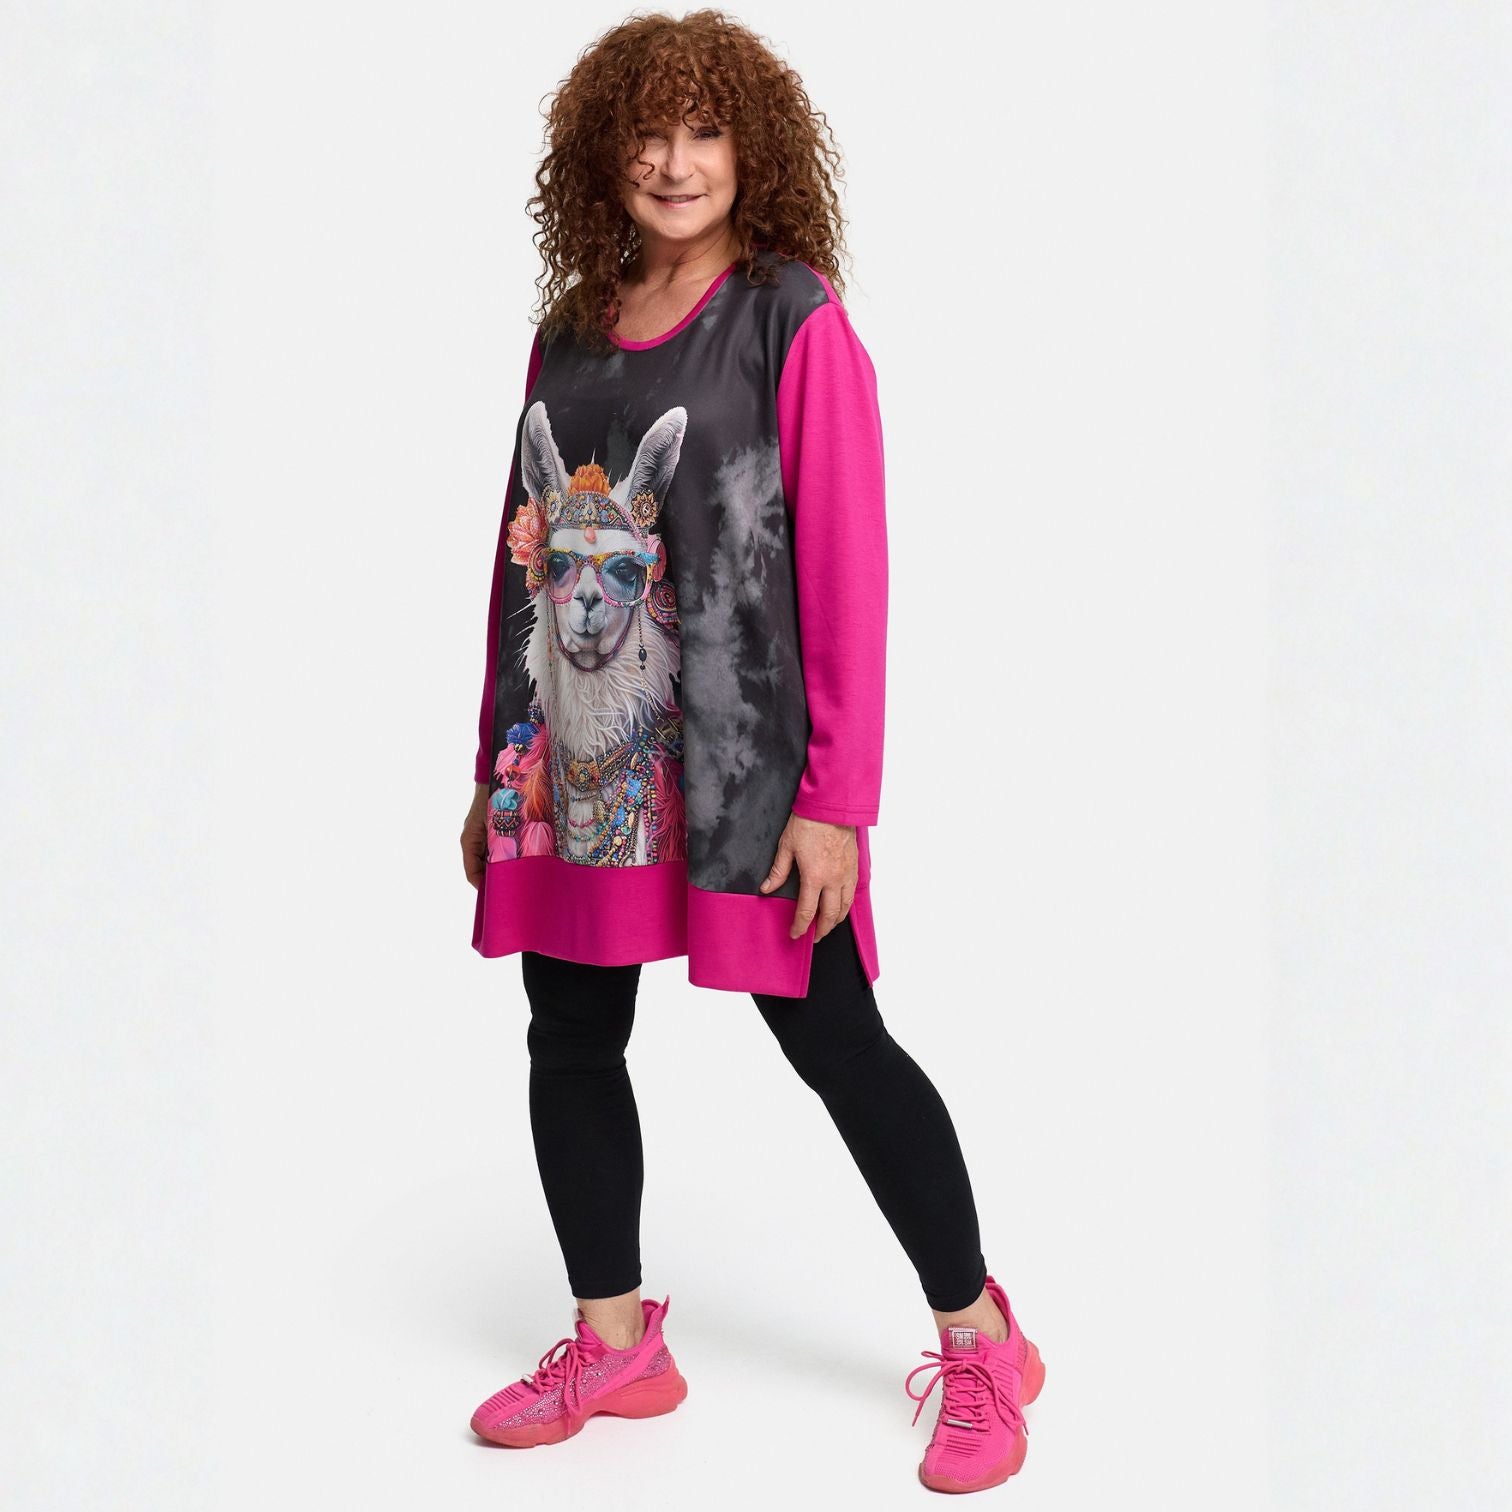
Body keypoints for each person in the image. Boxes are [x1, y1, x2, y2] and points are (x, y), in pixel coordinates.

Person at [458, 9, 1044, 1493]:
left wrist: (837, 798)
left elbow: (847, 565)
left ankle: (983, 1340)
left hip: (747, 777)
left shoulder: (793, 317)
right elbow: (520, 557)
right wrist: (490, 766)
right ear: (603, 153)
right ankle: (615, 1342)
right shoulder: (570, 327)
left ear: (752, 150)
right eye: (648, 132)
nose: (675, 161)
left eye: (705, 131)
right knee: (570, 1034)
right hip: (572, 770)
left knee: (835, 1042)